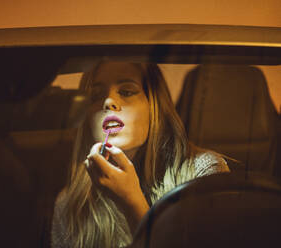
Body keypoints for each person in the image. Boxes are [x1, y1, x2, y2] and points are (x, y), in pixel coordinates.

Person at [51, 61, 229, 248]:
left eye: (126, 92)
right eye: (96, 95)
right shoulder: (70, 203)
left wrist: (130, 200)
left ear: (155, 107)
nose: (108, 101)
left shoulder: (203, 174)